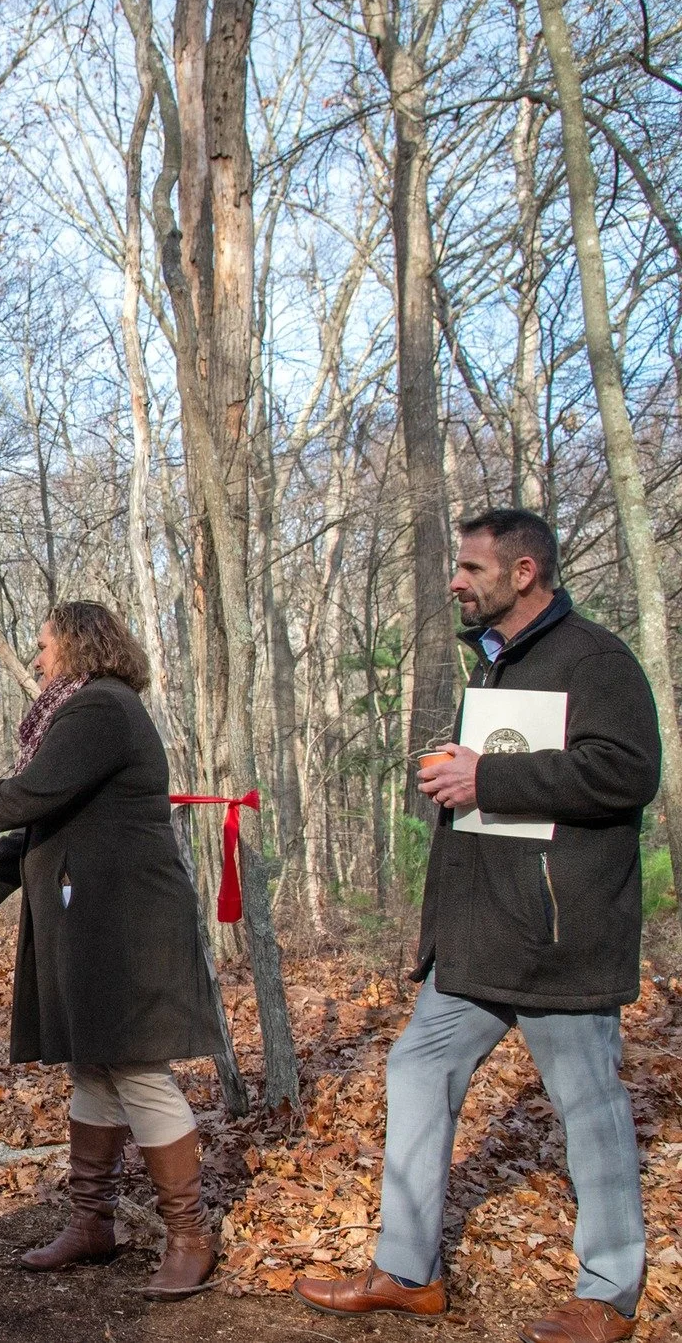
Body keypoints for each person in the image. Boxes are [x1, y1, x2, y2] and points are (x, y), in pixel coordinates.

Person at [293, 509, 658, 1343]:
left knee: (590, 1109)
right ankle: (408, 1272)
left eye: (469, 568)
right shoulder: (493, 665)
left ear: (523, 572)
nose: (454, 581)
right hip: (478, 936)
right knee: (417, 1071)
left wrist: (487, 773)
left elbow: (629, 771)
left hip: (560, 939)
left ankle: (608, 1295)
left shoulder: (595, 660)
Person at [0, 601, 226, 1299]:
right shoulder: (87, 713)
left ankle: (190, 1238)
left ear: (80, 646)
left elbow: (30, 795)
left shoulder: (101, 711)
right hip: (95, 917)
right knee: (94, 1069)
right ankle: (92, 1224)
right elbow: (49, 818)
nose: (36, 658)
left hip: (127, 924)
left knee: (139, 1071)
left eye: (45, 646)